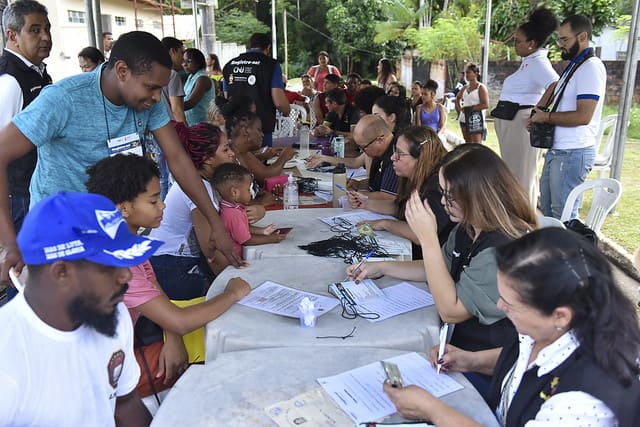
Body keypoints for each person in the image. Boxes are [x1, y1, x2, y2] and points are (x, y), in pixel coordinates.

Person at [0, 31, 243, 285]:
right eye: (151, 88)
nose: (158, 97)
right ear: (122, 71)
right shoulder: (63, 99)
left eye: (161, 89)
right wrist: (8, 243)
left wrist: (215, 222)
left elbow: (177, 158)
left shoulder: (149, 101)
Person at [384, 228, 640, 426]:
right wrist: (470, 360)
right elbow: (526, 361)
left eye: (510, 303)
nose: (499, 305)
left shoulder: (581, 405)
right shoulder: (553, 330)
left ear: (560, 316)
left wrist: (433, 411)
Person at [349, 144, 536, 365]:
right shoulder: (468, 227)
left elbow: (451, 311)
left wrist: (427, 238)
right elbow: (436, 268)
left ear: (477, 195)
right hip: (455, 345)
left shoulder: (500, 250)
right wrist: (381, 266)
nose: (444, 202)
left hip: (489, 359)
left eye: (450, 196)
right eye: (442, 192)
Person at [85, 154, 251, 397]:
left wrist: (173, 338)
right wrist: (232, 293)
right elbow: (180, 321)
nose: (162, 206)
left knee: (211, 337)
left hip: (122, 346)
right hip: (96, 374)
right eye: (153, 201)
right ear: (124, 208)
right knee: (216, 361)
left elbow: (157, 292)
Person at [0, 191, 156, 425]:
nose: (125, 275)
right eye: (110, 266)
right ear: (61, 272)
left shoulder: (112, 313)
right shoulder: (8, 357)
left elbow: (126, 405)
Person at [148, 121, 264, 298]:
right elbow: (213, 255)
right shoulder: (199, 190)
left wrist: (258, 209)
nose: (232, 153)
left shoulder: (209, 182)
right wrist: (240, 283)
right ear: (208, 159)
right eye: (225, 150)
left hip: (177, 261)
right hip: (172, 266)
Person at [531, 15, 606, 219]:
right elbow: (556, 90)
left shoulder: (590, 67)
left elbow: (584, 115)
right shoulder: (575, 65)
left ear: (582, 37)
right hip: (559, 149)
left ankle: (568, 252)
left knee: (563, 217)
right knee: (548, 212)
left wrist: (546, 118)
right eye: (559, 40)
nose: (561, 45)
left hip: (573, 151)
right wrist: (539, 113)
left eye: (565, 40)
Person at [348, 126, 453, 257]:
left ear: (421, 158)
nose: (392, 157)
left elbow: (420, 234)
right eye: (394, 151)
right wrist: (365, 203)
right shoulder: (415, 177)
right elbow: (401, 206)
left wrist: (385, 224)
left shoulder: (436, 188)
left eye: (400, 154)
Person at [495, 8, 558, 209]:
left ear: (531, 43)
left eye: (517, 41)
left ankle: (525, 225)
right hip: (510, 119)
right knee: (513, 176)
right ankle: (519, 221)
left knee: (521, 177)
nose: (514, 45)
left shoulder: (539, 62)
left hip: (520, 121)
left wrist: (538, 110)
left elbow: (556, 84)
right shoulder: (528, 62)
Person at [0, 0, 52, 235]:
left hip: (36, 188)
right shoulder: (10, 81)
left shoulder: (38, 73)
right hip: (19, 195)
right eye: (35, 30)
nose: (45, 37)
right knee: (22, 265)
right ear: (12, 36)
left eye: (47, 29)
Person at [211, 163, 286, 268]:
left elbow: (243, 228)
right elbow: (246, 240)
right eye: (248, 190)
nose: (251, 193)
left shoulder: (233, 207)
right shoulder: (233, 214)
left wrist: (263, 231)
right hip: (235, 261)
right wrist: (271, 239)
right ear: (234, 192)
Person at [222, 32, 290, 147]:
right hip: (260, 127)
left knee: (241, 161)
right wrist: (287, 111)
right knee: (260, 162)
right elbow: (278, 101)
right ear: (268, 48)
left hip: (235, 126)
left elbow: (226, 95)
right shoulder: (271, 65)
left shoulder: (230, 64)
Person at [227, 110, 294, 184]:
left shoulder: (243, 151)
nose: (262, 135)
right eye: (258, 130)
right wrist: (284, 157)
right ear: (246, 131)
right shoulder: (232, 154)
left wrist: (262, 156)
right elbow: (266, 176)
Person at [455, 63, 489, 143]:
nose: (467, 75)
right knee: (468, 143)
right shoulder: (465, 87)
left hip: (476, 119)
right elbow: (458, 98)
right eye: (466, 73)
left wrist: (471, 108)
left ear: (476, 73)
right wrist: (460, 109)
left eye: (469, 72)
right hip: (463, 119)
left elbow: (486, 104)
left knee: (477, 145)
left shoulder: (481, 87)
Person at [183, 48, 214, 126]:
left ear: (198, 62)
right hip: (191, 123)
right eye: (183, 61)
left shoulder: (202, 79)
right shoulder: (190, 76)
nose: (184, 64)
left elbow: (191, 103)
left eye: (188, 61)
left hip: (202, 124)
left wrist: (173, 107)